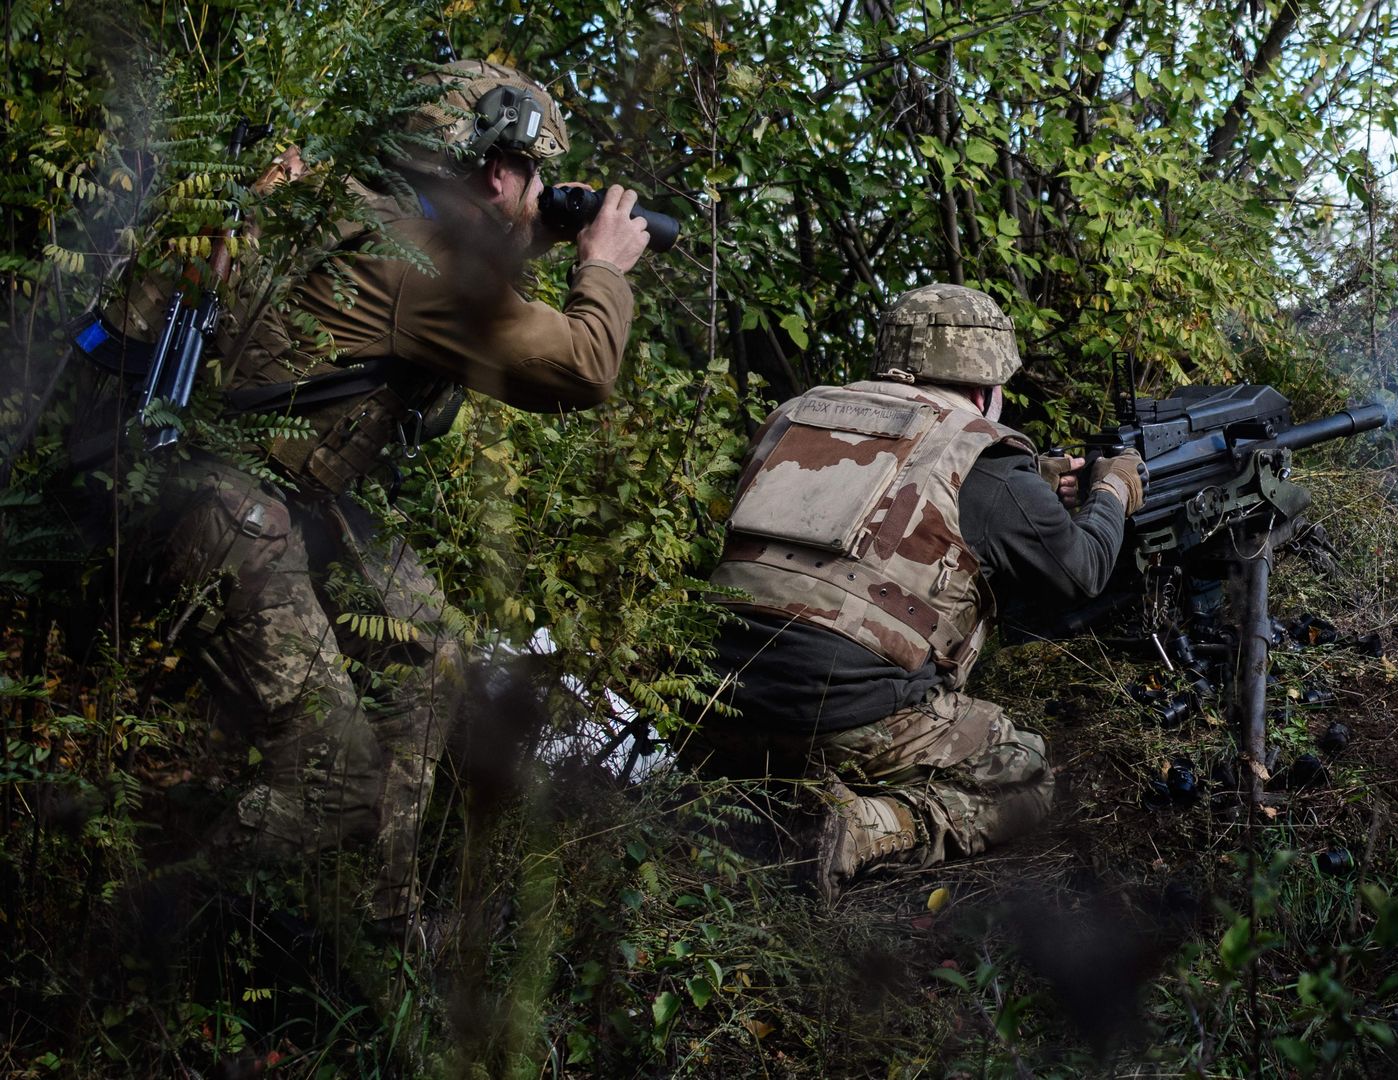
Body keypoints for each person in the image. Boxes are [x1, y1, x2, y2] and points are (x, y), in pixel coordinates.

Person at [83, 60, 654, 935]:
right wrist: (603, 265)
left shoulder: (339, 204)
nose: (541, 197)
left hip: (251, 486)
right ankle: (132, 937)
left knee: (429, 659)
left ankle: (373, 919)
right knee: (336, 777)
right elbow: (580, 367)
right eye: (535, 177)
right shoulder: (419, 264)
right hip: (217, 503)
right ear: (499, 171)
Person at [689, 283, 1145, 900]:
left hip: (712, 702)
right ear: (985, 387)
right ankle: (872, 828)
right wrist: (1113, 489)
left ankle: (744, 787)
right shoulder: (981, 452)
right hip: (843, 716)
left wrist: (1030, 484)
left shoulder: (797, 416)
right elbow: (1079, 572)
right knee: (1030, 774)